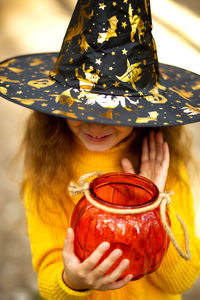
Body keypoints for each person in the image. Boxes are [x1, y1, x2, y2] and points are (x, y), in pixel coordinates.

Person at [0, 0, 200, 299]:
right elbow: (49, 282)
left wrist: (153, 206)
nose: (94, 125)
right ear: (58, 105)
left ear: (141, 112)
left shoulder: (159, 162)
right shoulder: (49, 168)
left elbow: (179, 282)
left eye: (114, 113)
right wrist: (73, 280)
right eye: (80, 109)